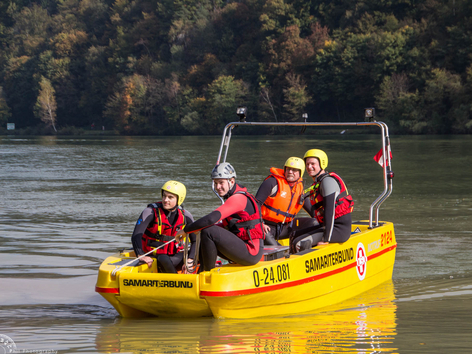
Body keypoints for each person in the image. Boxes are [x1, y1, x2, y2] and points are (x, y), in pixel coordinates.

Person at [175, 163, 265, 272]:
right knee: (205, 230)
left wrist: (186, 230)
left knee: (208, 230)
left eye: (221, 182)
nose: (217, 187)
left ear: (231, 181)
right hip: (243, 247)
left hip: (251, 252)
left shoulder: (238, 198)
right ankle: (200, 270)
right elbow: (230, 226)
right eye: (215, 183)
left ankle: (208, 274)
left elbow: (211, 219)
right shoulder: (233, 196)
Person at [290, 149, 354, 252]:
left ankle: (303, 265)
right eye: (307, 164)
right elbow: (315, 213)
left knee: (298, 243)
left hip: (339, 230)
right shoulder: (317, 184)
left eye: (313, 164)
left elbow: (330, 212)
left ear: (322, 163)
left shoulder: (327, 182)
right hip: (326, 227)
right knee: (293, 235)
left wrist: (326, 239)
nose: (309, 167)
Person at [130, 180, 197, 273]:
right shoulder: (150, 212)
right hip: (155, 258)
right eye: (164, 196)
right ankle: (177, 282)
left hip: (175, 256)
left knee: (201, 252)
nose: (165, 200)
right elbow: (136, 235)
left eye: (170, 197)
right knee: (163, 258)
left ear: (179, 199)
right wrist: (141, 255)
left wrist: (190, 259)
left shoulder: (186, 216)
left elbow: (195, 240)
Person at [255, 157, 314, 245]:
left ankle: (300, 244)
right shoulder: (272, 183)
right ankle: (281, 251)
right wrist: (260, 223)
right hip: (267, 227)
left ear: (300, 173)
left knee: (314, 223)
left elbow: (313, 211)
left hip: (286, 228)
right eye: (288, 169)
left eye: (294, 170)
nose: (290, 172)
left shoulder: (299, 189)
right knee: (263, 233)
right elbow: (254, 205)